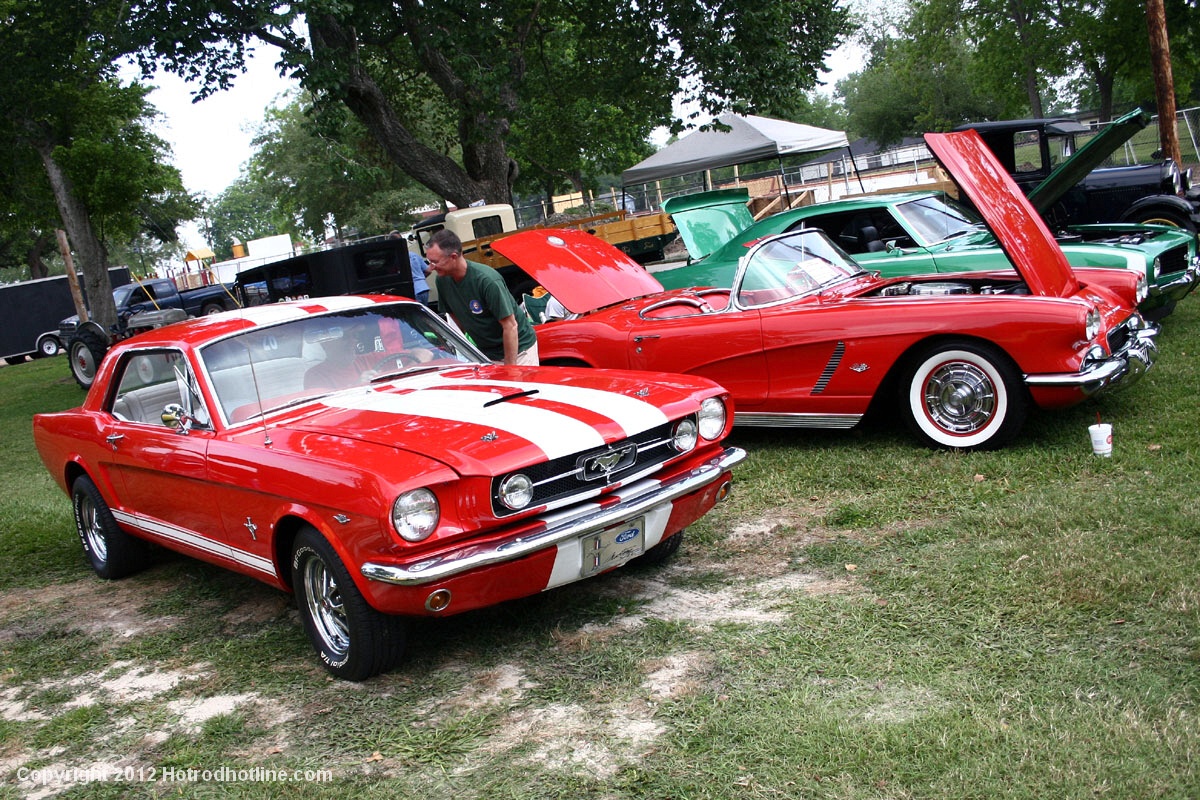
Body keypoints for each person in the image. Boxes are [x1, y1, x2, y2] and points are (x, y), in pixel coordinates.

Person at [425, 229, 538, 365]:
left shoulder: (486, 280)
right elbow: (455, 322)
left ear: (453, 257)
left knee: (516, 384)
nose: (431, 268)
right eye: (429, 261)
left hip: (519, 349)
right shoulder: (442, 281)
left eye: (435, 262)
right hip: (486, 353)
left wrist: (511, 368)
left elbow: (510, 326)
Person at [390, 230, 431, 305]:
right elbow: (428, 270)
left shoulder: (395, 260)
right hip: (424, 288)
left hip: (413, 291)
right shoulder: (414, 255)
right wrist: (420, 278)